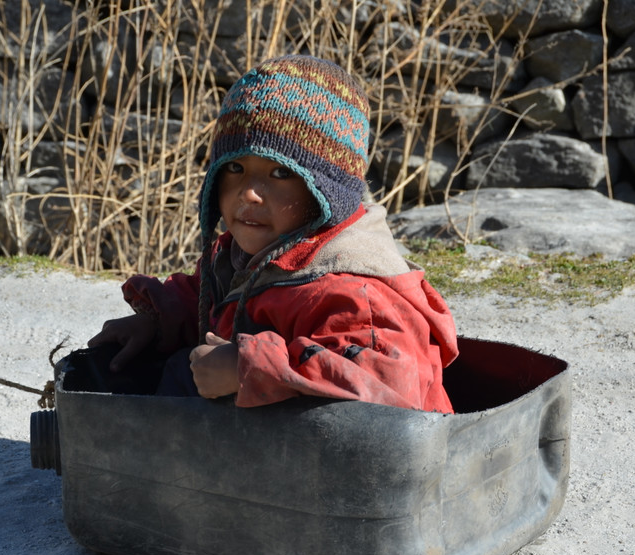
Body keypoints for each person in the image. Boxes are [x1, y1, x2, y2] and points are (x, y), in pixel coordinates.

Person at [88, 54, 459, 412]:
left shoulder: (353, 294)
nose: (248, 192)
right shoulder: (244, 256)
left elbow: (386, 390)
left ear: (326, 194)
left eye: (280, 173)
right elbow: (212, 302)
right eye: (235, 167)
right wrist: (156, 323)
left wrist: (247, 367)